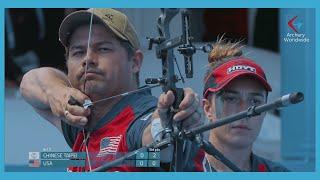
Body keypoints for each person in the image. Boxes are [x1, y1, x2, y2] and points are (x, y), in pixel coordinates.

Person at [20, 8, 203, 172]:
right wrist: (58, 93)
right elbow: (30, 81)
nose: (88, 59)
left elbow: (160, 149)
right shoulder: (80, 119)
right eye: (78, 52)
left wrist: (164, 124)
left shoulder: (141, 116)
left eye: (103, 49)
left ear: (135, 62)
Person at [200, 39, 289, 172]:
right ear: (208, 108)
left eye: (255, 101)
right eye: (231, 99)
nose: (245, 110)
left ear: (264, 112)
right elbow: (156, 163)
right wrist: (156, 137)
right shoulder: (179, 164)